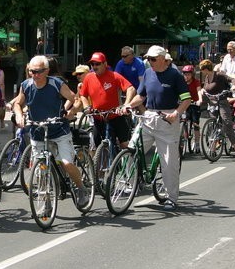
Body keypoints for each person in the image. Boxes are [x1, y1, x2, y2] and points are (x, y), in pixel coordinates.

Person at [11, 55, 88, 208]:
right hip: (37, 132)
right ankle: (45, 201)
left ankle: (81, 188)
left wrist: (71, 112)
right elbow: (18, 103)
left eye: (39, 71)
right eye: (32, 71)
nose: (35, 75)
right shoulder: (26, 85)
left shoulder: (56, 84)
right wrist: (19, 115)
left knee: (66, 163)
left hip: (59, 130)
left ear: (46, 71)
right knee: (40, 169)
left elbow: (76, 99)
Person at [126, 46, 192, 210]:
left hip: (167, 120)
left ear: (163, 59)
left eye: (153, 59)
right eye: (148, 59)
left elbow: (186, 99)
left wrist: (176, 113)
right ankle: (132, 182)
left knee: (169, 162)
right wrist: (127, 105)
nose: (150, 62)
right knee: (131, 149)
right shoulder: (148, 73)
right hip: (149, 117)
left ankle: (172, 198)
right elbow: (141, 96)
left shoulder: (175, 75)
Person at [79, 53, 136, 149]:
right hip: (98, 118)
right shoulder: (89, 77)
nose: (94, 66)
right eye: (92, 64)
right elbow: (82, 94)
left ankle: (128, 162)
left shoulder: (114, 75)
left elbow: (131, 88)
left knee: (125, 145)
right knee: (100, 148)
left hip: (116, 116)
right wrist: (86, 107)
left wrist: (126, 105)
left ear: (105, 64)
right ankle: (105, 163)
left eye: (97, 64)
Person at [181, 65, 202, 152]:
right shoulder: (181, 82)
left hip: (194, 104)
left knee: (195, 124)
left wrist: (200, 99)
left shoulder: (196, 82)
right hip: (184, 103)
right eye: (185, 74)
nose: (186, 76)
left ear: (192, 74)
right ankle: (181, 139)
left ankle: (197, 143)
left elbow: (199, 91)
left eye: (188, 74)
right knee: (180, 121)